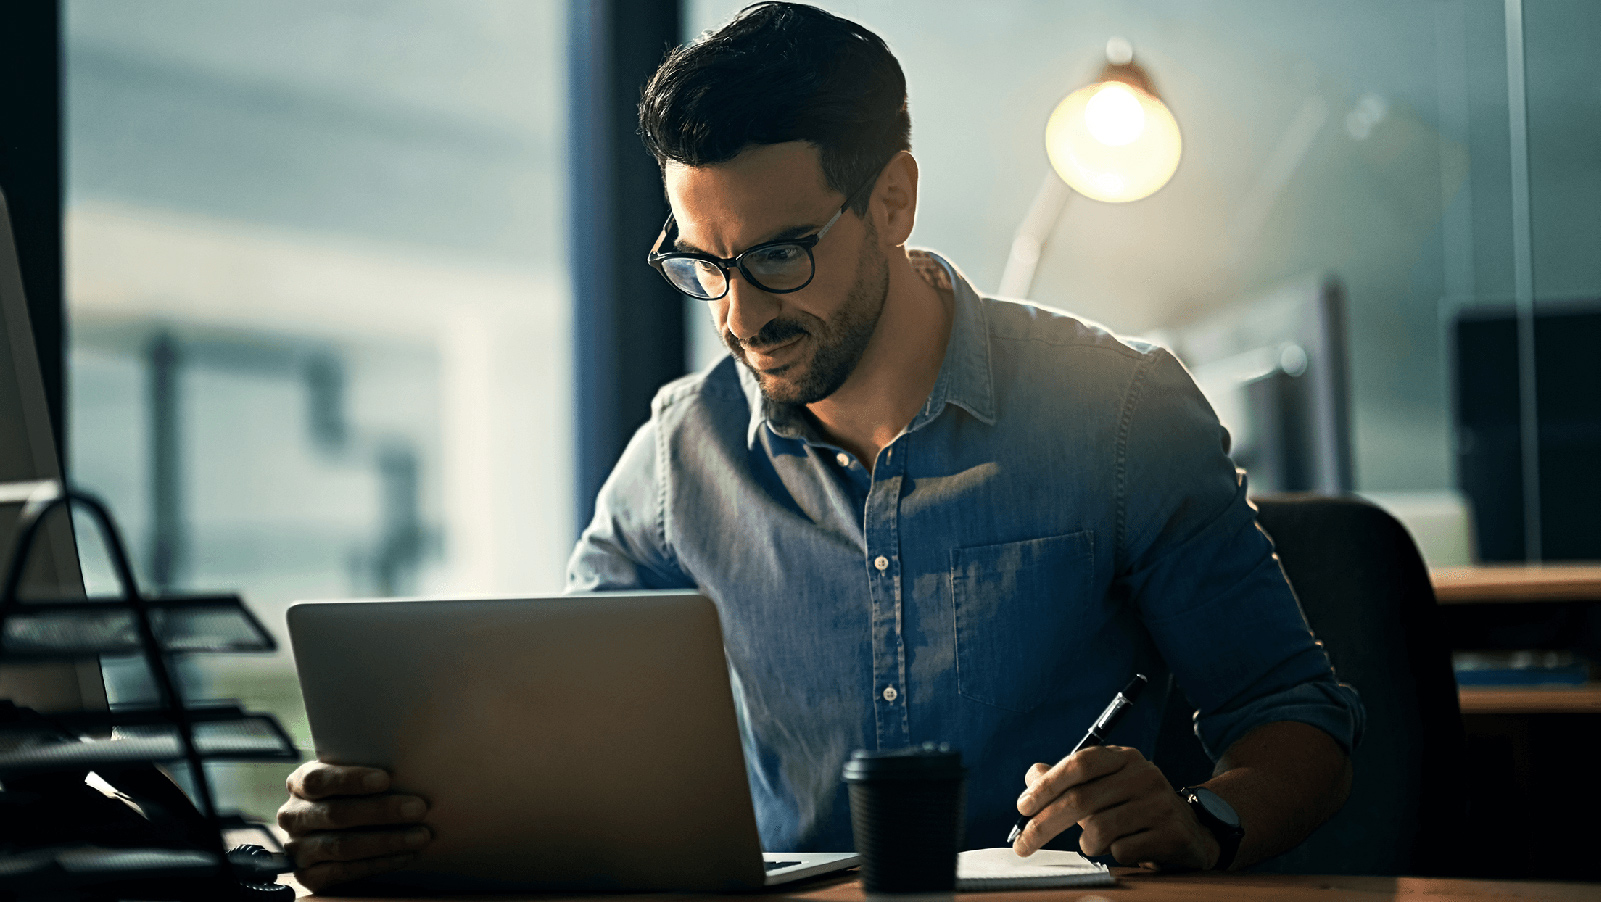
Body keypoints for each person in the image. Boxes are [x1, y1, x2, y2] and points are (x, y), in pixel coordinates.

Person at [277, 3, 1364, 892]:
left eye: (778, 255)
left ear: (892, 200)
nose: (738, 313)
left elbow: (1292, 719)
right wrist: (381, 815)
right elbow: (555, 746)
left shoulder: (1117, 412)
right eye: (701, 261)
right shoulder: (675, 459)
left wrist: (1196, 816)